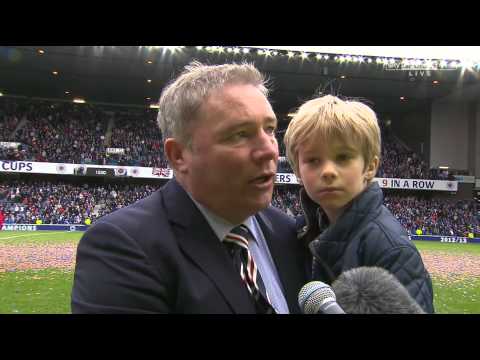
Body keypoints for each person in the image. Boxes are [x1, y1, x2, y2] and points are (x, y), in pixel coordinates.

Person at [71, 61, 307, 314]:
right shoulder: (122, 247)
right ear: (179, 155)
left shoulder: (287, 232)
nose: (269, 150)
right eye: (240, 134)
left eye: (270, 129)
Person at [283, 94, 434, 313]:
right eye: (313, 160)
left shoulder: (390, 249)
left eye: (343, 157)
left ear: (370, 167)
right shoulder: (301, 231)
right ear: (298, 170)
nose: (327, 171)